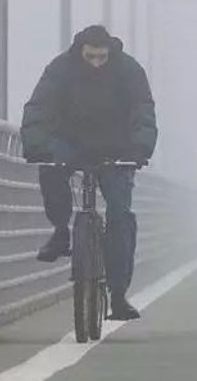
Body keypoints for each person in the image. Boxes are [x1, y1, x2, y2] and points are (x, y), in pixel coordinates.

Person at [20, 25, 157, 321]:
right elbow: (39, 107)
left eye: (102, 57)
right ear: (80, 51)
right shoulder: (61, 69)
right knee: (51, 168)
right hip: (71, 142)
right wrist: (35, 145)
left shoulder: (129, 71)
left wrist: (140, 149)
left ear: (111, 52)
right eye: (90, 57)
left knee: (120, 215)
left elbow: (143, 110)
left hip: (116, 148)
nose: (96, 62)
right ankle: (60, 231)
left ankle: (118, 295)